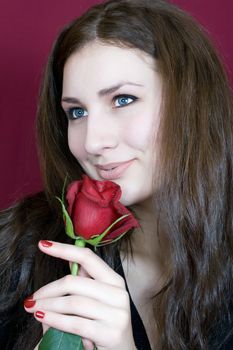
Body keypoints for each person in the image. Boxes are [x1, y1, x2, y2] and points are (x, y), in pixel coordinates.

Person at [0, 0, 233, 349]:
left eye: (123, 100)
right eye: (77, 112)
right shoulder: (19, 248)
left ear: (191, 105)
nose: (92, 142)